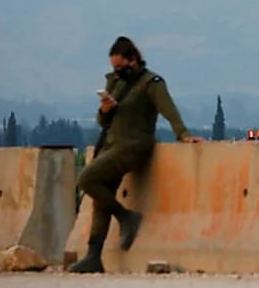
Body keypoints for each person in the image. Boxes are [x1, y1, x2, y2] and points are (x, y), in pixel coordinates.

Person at [68, 36, 202, 273]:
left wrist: (182, 134)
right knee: (101, 198)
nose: (118, 71)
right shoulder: (115, 83)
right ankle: (93, 256)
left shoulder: (151, 83)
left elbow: (169, 110)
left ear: (133, 60)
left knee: (86, 179)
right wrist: (104, 110)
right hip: (111, 145)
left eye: (121, 66)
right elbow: (103, 121)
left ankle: (126, 217)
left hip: (133, 146)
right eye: (114, 68)